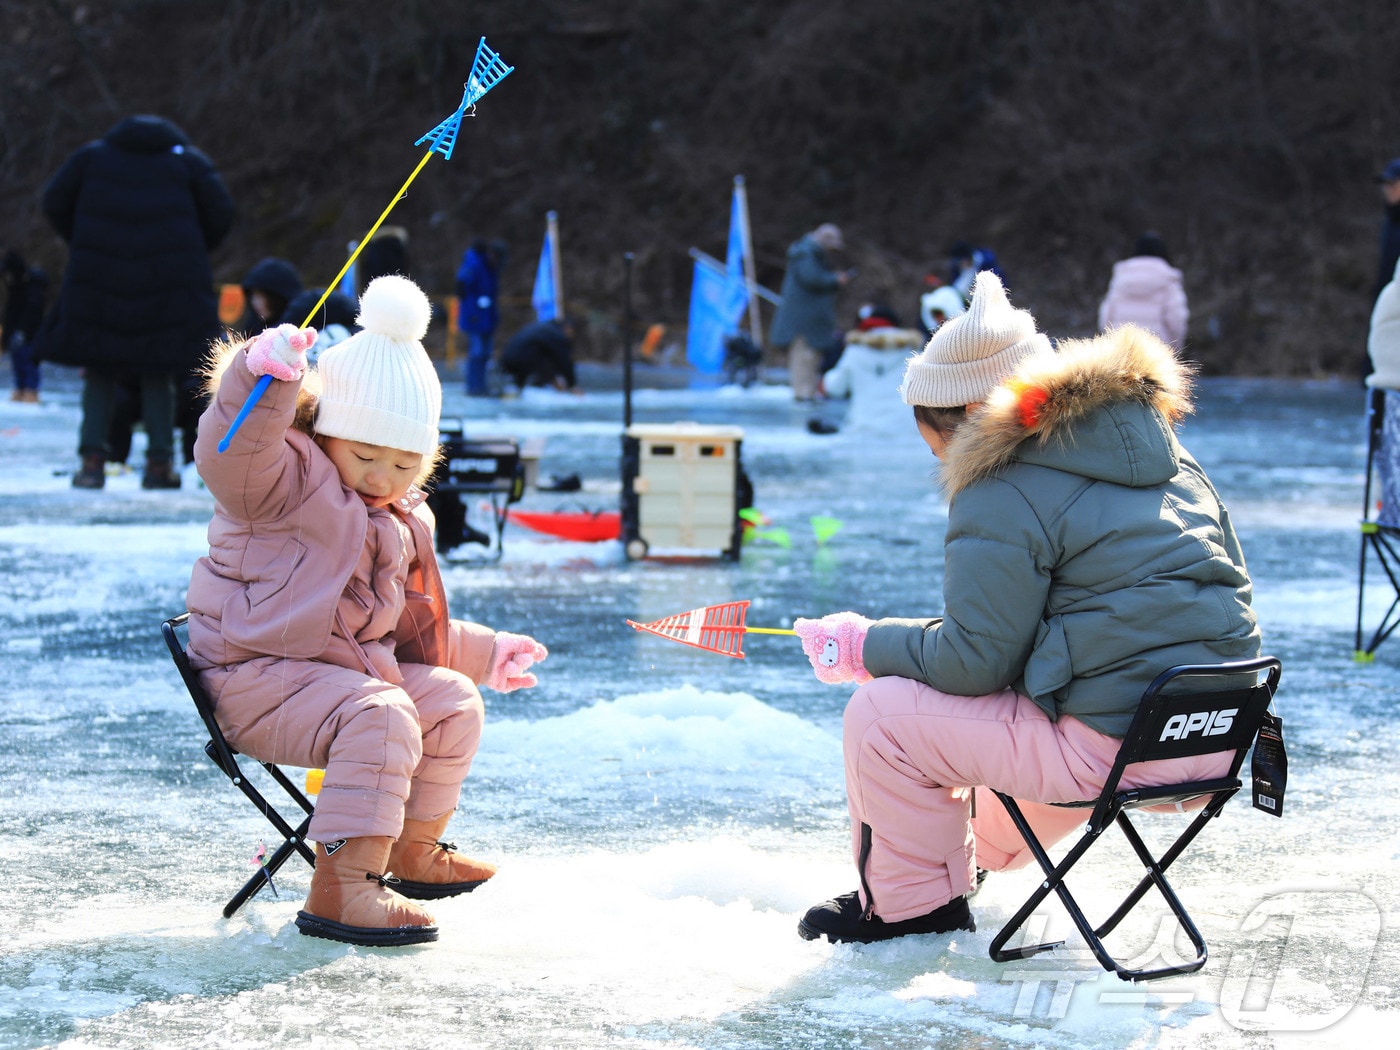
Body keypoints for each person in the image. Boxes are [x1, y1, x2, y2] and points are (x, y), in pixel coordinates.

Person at [791, 271, 1261, 944]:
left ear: (955, 423)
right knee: (1007, 714)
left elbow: (975, 662)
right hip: (1215, 733)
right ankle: (961, 866)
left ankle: (913, 912)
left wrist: (865, 644)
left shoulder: (1000, 481)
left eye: (931, 445)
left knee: (881, 718)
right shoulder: (1172, 455)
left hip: (1114, 746)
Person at [186, 275, 550, 946]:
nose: (383, 477)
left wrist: (483, 652)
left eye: (404, 462)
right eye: (365, 455)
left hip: (339, 676)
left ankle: (410, 848)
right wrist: (260, 380)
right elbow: (229, 452)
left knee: (450, 701)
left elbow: (400, 627)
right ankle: (343, 887)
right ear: (326, 433)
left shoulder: (398, 516)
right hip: (257, 677)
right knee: (380, 716)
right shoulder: (283, 484)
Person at [34, 114, 233, 489]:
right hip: (169, 281)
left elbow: (54, 201)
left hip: (98, 279)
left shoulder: (91, 158)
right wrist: (188, 248)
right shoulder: (185, 161)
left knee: (99, 371)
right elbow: (221, 213)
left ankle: (92, 461)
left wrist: (84, 241)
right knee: (159, 371)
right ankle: (160, 464)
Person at [769, 223, 852, 401]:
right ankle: (802, 394)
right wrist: (834, 279)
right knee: (803, 357)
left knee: (811, 357)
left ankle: (807, 393)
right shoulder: (805, 254)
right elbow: (812, 278)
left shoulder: (809, 254)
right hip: (803, 323)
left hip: (810, 321)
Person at [817, 306, 924, 437]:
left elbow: (835, 388)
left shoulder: (854, 352)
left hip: (863, 428)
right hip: (905, 428)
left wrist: (827, 378)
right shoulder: (912, 352)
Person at [1097, 231, 1189, 349]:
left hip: (1119, 349)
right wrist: (1175, 349)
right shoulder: (1168, 279)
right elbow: (1177, 320)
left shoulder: (1121, 278)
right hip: (1156, 354)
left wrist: (1108, 340)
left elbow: (1106, 316)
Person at [455, 239, 501, 396]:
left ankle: (481, 386)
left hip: (486, 317)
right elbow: (461, 289)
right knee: (477, 353)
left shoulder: (490, 267)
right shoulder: (474, 265)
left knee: (485, 354)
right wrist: (473, 312)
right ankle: (473, 387)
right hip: (475, 317)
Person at [1, 250, 48, 402]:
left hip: (28, 333)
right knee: (18, 361)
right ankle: (21, 388)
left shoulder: (32, 287)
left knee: (28, 360)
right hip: (17, 331)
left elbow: (33, 312)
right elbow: (11, 312)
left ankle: (31, 390)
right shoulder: (16, 287)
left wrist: (23, 331)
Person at [499, 317, 580, 393]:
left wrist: (554, 378)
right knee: (545, 361)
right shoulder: (556, 335)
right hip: (519, 360)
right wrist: (572, 385)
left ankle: (519, 388)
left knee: (543, 357)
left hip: (507, 358)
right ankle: (536, 386)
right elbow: (564, 361)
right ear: (568, 328)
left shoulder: (545, 328)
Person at [239, 257, 303, 335]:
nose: (254, 302)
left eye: (261, 296)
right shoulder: (252, 328)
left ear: (277, 298)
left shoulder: (303, 329)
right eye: (253, 295)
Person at [1374, 158, 1400, 307]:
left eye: (1393, 184)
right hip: (1387, 303)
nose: (1387, 189)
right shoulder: (1390, 220)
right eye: (1385, 184)